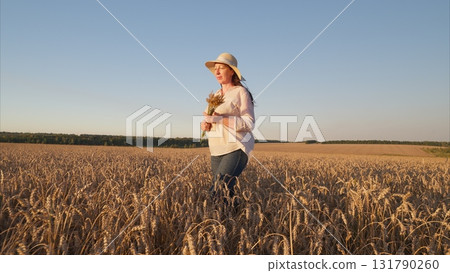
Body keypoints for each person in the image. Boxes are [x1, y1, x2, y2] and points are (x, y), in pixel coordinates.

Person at [201, 53, 255, 203]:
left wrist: (220, 118)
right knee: (225, 193)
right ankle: (239, 221)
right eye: (215, 69)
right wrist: (206, 125)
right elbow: (211, 121)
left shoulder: (240, 92)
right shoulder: (215, 95)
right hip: (217, 149)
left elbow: (249, 123)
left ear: (231, 71)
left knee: (216, 192)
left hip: (236, 147)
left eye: (221, 68)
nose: (217, 72)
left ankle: (218, 223)